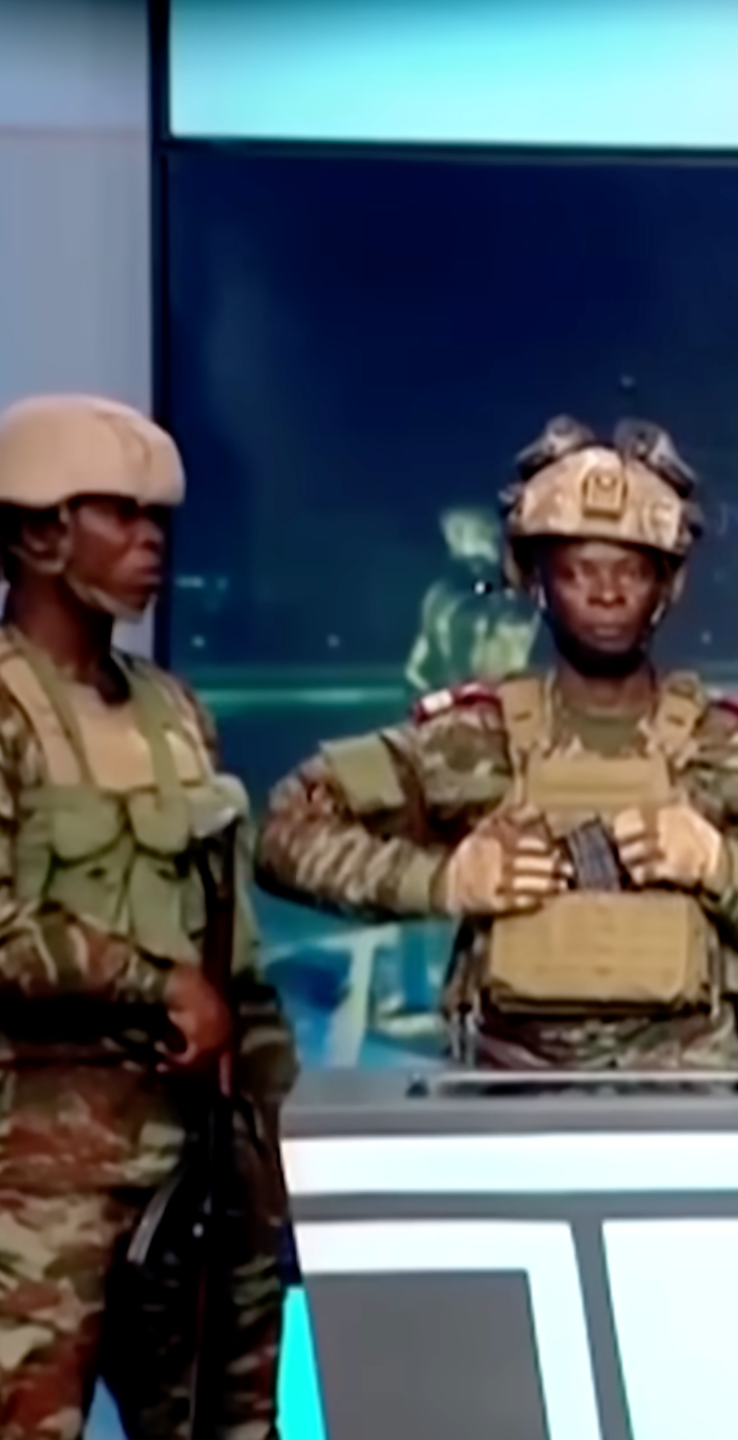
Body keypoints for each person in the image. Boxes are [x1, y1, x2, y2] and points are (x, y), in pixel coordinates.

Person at [255, 417, 738, 1070]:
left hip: (687, 1121)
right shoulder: (471, 744)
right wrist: (442, 881)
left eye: (630, 570)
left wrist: (721, 866)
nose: (606, 593)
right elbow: (286, 829)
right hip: (508, 1108)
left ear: (667, 586)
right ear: (536, 581)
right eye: (579, 570)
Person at [0, 395, 299, 1438]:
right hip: (37, 1179)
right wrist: (156, 983)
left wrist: (262, 1125)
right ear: (41, 532)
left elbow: (227, 930)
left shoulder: (174, 711)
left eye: (157, 519)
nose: (151, 541)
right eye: (120, 516)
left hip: (199, 1160)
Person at [404, 503, 536, 695]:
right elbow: (419, 674)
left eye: (477, 529)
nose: (457, 538)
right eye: (454, 531)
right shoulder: (443, 597)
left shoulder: (539, 597)